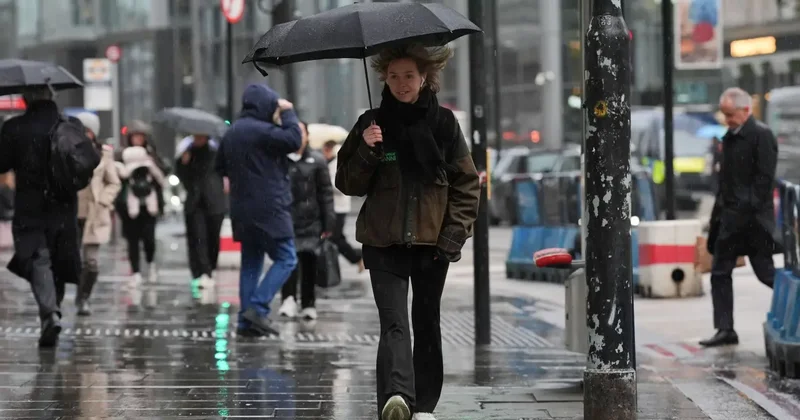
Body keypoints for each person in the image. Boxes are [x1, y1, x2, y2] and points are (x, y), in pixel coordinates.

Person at [335, 45, 480, 420]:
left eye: (409, 76)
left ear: (424, 78)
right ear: (385, 77)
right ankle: (396, 398)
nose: (402, 84)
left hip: (433, 244)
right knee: (394, 321)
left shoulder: (444, 124)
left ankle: (425, 405)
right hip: (383, 242)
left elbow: (467, 184)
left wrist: (453, 235)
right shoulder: (371, 123)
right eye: (395, 76)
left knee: (426, 321)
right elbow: (347, 183)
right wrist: (367, 150)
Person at [0, 87, 84, 347]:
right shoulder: (70, 125)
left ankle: (50, 314)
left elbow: (1, 163)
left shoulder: (16, 127)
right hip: (65, 207)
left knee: (38, 259)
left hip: (30, 206)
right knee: (57, 261)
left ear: (26, 99)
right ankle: (52, 313)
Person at [215, 84, 301, 337]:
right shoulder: (264, 131)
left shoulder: (231, 133)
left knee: (251, 262)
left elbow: (219, 167)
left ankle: (245, 323)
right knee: (287, 258)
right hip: (269, 207)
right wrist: (288, 113)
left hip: (241, 209)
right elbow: (294, 140)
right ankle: (258, 307)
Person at [701, 87, 778, 348]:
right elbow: (725, 183)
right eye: (724, 115)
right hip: (729, 219)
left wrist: (746, 208)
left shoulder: (762, 136)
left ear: (746, 111)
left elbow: (764, 180)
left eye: (730, 114)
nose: (727, 120)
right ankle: (725, 329)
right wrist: (720, 215)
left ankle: (795, 304)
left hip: (753, 221)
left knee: (765, 272)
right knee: (720, 272)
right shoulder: (729, 138)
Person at [278, 121, 335, 320]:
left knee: (309, 261)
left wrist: (329, 223)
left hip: (312, 220)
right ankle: (288, 299)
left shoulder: (317, 161)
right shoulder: (281, 160)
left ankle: (309, 303)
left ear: (307, 136)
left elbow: (326, 193)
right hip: (287, 219)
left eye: (301, 132)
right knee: (288, 261)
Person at [74, 112, 121, 316]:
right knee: (71, 261)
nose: (85, 135)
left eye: (88, 131)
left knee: (91, 263)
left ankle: (84, 297)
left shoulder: (105, 154)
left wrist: (104, 200)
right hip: (72, 213)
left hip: (95, 215)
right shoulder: (68, 149)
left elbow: (114, 182)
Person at [115, 121, 166, 287]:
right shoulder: (122, 155)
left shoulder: (151, 155)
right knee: (132, 240)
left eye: (141, 136)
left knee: (149, 238)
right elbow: (117, 177)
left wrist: (151, 163)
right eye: (135, 136)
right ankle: (135, 271)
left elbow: (163, 174)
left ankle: (151, 265)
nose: (138, 139)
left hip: (149, 203)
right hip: (129, 204)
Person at [175, 134, 227, 290]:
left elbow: (225, 172)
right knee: (198, 237)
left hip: (214, 201)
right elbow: (181, 175)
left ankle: (210, 268)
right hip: (195, 202)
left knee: (213, 238)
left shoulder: (216, 152)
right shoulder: (186, 152)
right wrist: (183, 163)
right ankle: (202, 272)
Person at [321, 139, 365, 272]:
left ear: (330, 149)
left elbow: (341, 185)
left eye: (325, 150)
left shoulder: (336, 163)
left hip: (338, 207)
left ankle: (358, 257)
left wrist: (326, 183)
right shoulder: (328, 163)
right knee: (337, 237)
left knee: (335, 237)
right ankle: (357, 257)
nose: (323, 153)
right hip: (331, 207)